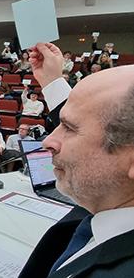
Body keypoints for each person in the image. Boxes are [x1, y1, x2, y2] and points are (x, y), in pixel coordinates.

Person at [18, 42, 134, 277]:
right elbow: (97, 116)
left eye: (69, 128)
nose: (48, 141)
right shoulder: (111, 199)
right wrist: (52, 81)